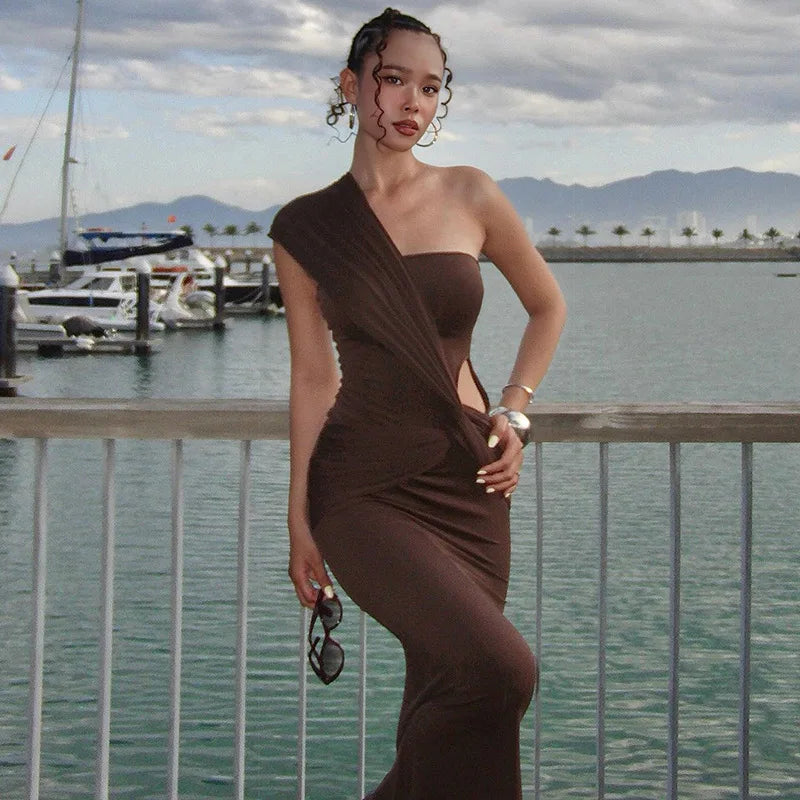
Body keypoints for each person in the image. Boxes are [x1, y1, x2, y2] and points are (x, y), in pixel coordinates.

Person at [269, 8, 566, 799]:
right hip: (361, 489)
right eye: (394, 79)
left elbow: (548, 307)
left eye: (430, 87)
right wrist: (299, 517)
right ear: (352, 84)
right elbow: (311, 379)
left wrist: (515, 408)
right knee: (501, 670)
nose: (412, 103)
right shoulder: (304, 229)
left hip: (469, 484)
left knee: (455, 700)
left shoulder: (471, 193)